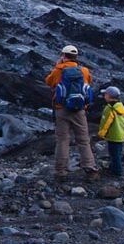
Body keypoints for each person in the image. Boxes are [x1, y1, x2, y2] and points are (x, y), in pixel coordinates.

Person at [45, 45, 99, 181]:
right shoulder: (84, 70)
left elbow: (49, 82)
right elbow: (89, 83)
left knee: (62, 140)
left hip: (61, 109)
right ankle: (90, 169)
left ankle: (61, 172)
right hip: (79, 109)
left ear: (63, 56)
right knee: (83, 140)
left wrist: (58, 67)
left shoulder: (59, 70)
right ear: (76, 57)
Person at [98, 87, 124, 177]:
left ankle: (117, 171)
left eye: (105, 94)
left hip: (113, 136)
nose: (104, 96)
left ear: (109, 96)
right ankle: (113, 167)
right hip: (121, 135)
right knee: (117, 152)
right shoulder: (121, 107)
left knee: (114, 154)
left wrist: (101, 134)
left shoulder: (109, 109)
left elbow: (106, 122)